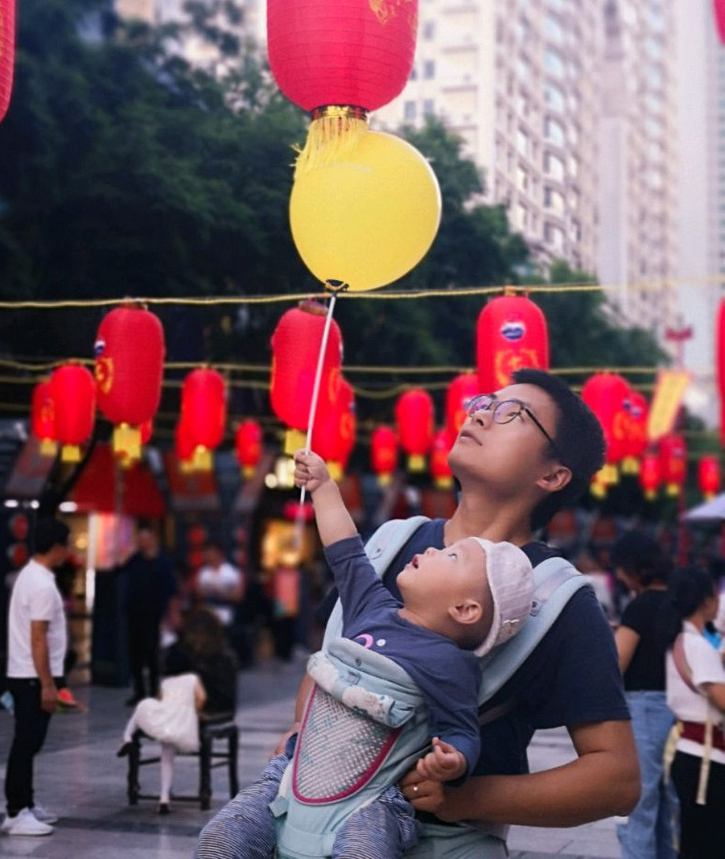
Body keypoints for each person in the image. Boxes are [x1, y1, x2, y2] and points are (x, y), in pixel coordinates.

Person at [215, 368, 638, 858]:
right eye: (484, 402)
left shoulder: (558, 600)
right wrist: (299, 736)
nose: (480, 414)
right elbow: (331, 660)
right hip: (310, 827)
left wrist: (467, 797)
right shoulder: (392, 545)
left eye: (510, 414)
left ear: (552, 475)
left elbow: (616, 777)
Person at [195, 449, 534, 859]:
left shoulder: (450, 663)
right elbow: (346, 551)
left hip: (372, 804)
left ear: (465, 610)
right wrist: (323, 486)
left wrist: (455, 761)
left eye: (450, 557)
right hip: (289, 777)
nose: (431, 550)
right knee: (219, 840)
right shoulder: (371, 606)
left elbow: (462, 728)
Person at [118, 608, 238, 814]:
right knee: (164, 735)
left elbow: (167, 682)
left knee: (160, 734)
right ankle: (173, 792)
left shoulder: (190, 653)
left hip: (187, 706)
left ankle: (129, 741)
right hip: (197, 706)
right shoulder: (214, 654)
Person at [609, 531, 677, 858]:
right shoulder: (680, 602)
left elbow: (616, 663)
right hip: (679, 709)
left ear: (632, 567)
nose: (619, 578)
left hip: (645, 708)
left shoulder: (640, 607)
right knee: (670, 804)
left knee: (641, 801)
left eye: (620, 569)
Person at [1, 518, 70, 837]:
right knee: (26, 742)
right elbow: (38, 636)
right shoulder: (41, 583)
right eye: (65, 547)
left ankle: (25, 802)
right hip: (32, 676)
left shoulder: (29, 575)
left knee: (29, 742)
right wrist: (47, 684)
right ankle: (16, 810)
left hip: (26, 672)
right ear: (56, 548)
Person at [664, 566, 725, 858]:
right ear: (706, 601)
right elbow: (721, 699)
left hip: (690, 752)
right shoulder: (699, 645)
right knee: (708, 844)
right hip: (706, 758)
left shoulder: (680, 640)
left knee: (694, 840)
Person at [122, 524, 177, 706]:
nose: (142, 543)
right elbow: (120, 572)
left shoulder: (163, 562)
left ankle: (153, 691)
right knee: (135, 654)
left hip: (154, 615)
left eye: (145, 539)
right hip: (134, 613)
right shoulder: (135, 560)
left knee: (151, 653)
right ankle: (139, 690)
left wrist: (171, 615)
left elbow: (171, 591)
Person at [195, 541, 244, 631]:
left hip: (226, 616)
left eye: (210, 553)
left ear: (218, 553)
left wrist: (222, 593)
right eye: (206, 553)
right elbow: (198, 594)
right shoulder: (203, 573)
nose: (207, 556)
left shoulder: (231, 572)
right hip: (208, 615)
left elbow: (238, 596)